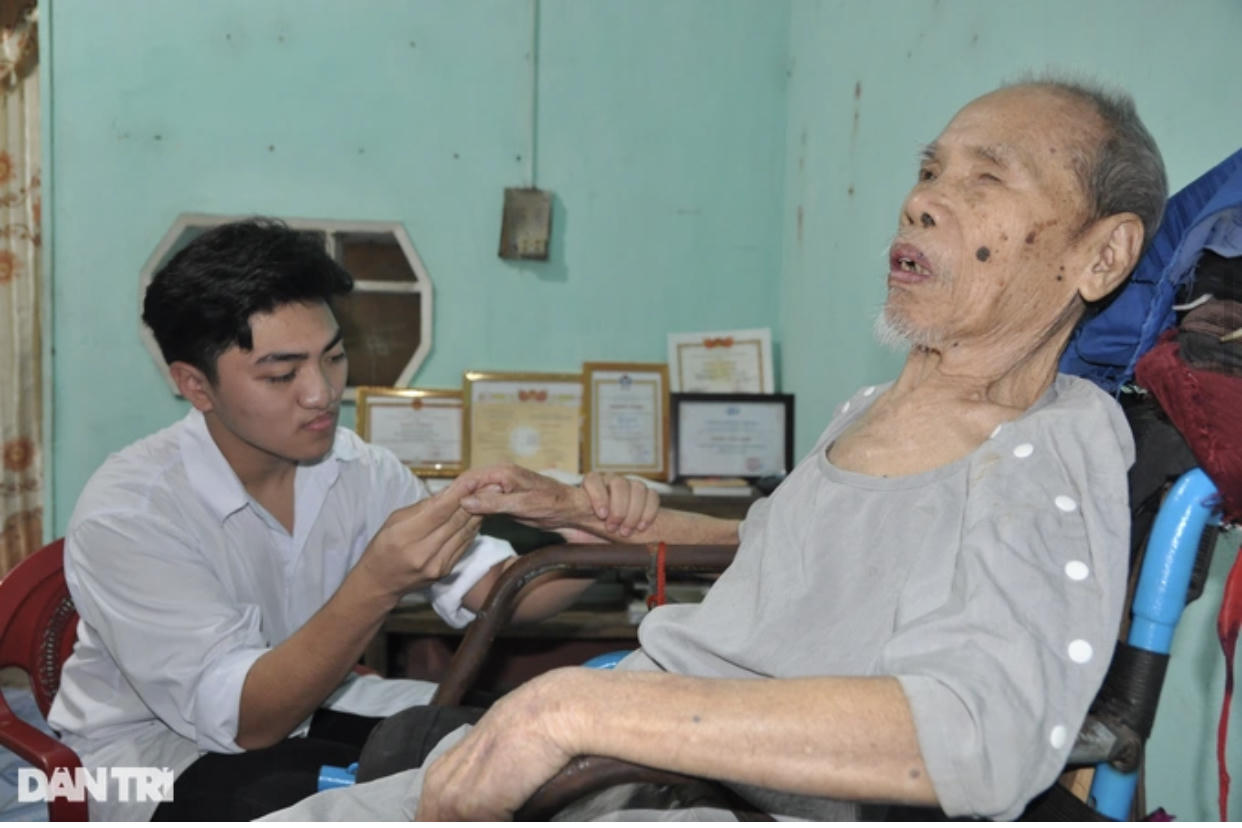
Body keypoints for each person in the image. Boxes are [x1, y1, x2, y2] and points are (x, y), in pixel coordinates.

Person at [263, 76, 1168, 821]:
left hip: (694, 790)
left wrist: (575, 707)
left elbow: (979, 733)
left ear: (1102, 256)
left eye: (986, 180)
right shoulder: (868, 411)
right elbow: (793, 558)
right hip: (624, 760)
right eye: (930, 170)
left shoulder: (1046, 443)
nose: (922, 200)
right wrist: (589, 513)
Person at [45, 218, 659, 820]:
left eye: (333, 357)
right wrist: (376, 582)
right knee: (396, 799)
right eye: (282, 374)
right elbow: (246, 721)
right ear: (195, 385)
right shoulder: (131, 513)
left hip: (306, 711)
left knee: (522, 743)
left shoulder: (359, 469)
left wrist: (588, 543)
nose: (322, 392)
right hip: (155, 760)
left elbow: (493, 588)